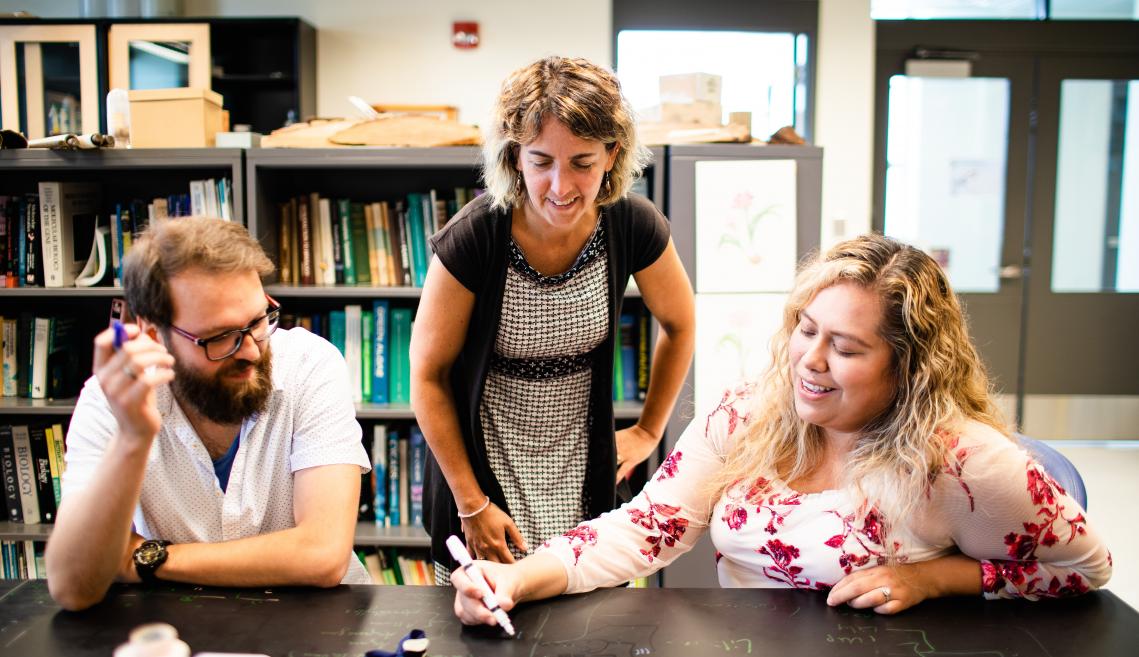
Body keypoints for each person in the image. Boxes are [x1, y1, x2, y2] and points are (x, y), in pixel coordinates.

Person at [452, 233, 1112, 622]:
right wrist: (516, 579)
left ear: (909, 367)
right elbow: (643, 528)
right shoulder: (746, 413)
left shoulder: (962, 461)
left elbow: (1086, 567)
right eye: (805, 329)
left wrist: (935, 578)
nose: (810, 361)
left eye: (847, 349)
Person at [410, 56, 695, 583]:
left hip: (581, 457)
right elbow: (427, 377)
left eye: (582, 163)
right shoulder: (473, 237)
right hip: (485, 459)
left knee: (582, 605)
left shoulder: (632, 225)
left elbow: (680, 325)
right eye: (541, 161)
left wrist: (651, 429)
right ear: (515, 156)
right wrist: (471, 503)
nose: (560, 187)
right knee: (488, 612)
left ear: (612, 155)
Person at [45, 217, 371, 611]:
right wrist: (133, 438)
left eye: (257, 321)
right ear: (152, 335)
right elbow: (73, 588)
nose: (251, 350)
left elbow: (322, 555)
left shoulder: (309, 364)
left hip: (316, 628)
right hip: (178, 627)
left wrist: (145, 558)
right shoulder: (109, 399)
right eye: (220, 337)